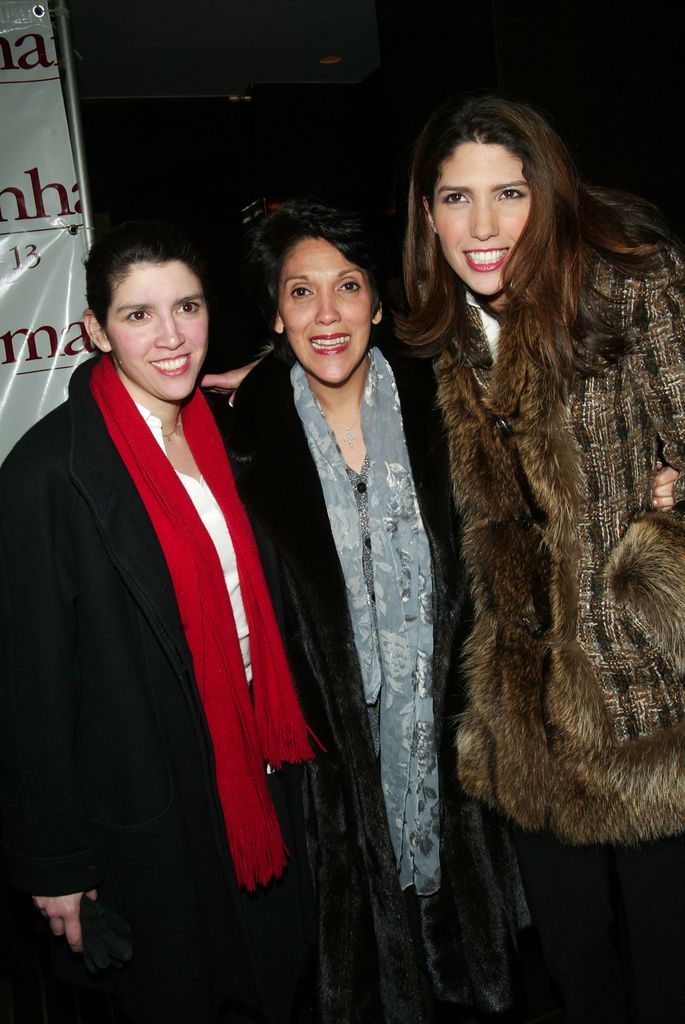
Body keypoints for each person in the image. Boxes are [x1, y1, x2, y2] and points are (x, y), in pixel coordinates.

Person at [397, 93, 685, 1023]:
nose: (481, 228)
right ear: (426, 211)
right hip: (523, 713)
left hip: (646, 694)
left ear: (548, 192)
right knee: (571, 964)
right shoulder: (438, 331)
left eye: (508, 193)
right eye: (454, 198)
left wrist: (655, 555)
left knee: (670, 966)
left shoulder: (630, 283)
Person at [215, 197, 528, 1024]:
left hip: (458, 765)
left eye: (347, 287)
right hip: (328, 787)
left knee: (470, 987)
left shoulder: (449, 412)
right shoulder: (242, 442)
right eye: (300, 293)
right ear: (275, 315)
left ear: (379, 304)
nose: (327, 315)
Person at [0, 221, 315, 1024]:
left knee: (281, 980)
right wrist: (57, 863)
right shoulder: (47, 474)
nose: (171, 337)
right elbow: (30, 686)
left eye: (188, 307)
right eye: (138, 316)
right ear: (96, 331)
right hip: (151, 792)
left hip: (262, 765)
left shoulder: (231, 434)